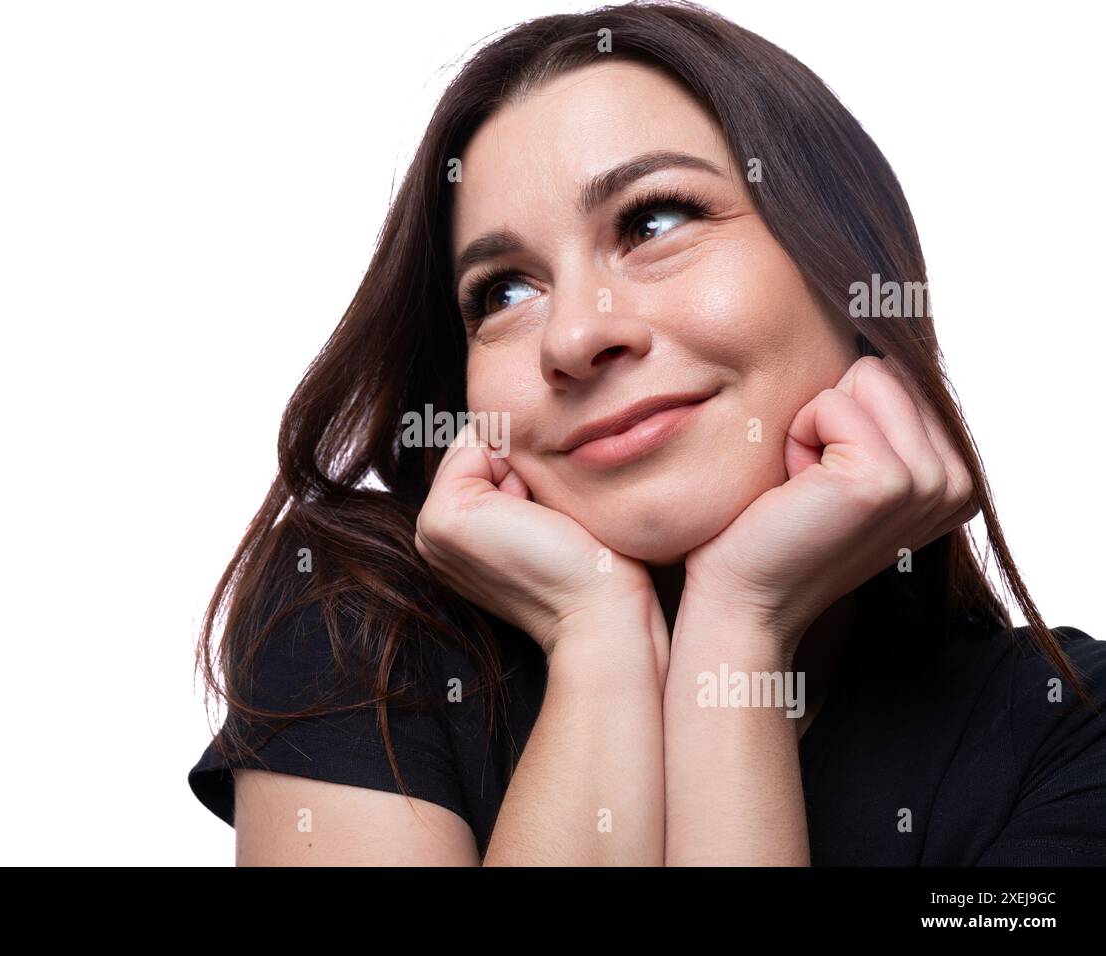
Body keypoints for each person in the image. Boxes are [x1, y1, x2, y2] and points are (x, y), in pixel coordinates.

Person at [189, 1, 1106, 865]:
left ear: (854, 272)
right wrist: (593, 634)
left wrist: (738, 632)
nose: (577, 337)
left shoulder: (1073, 733)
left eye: (653, 221)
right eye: (503, 291)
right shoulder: (360, 620)